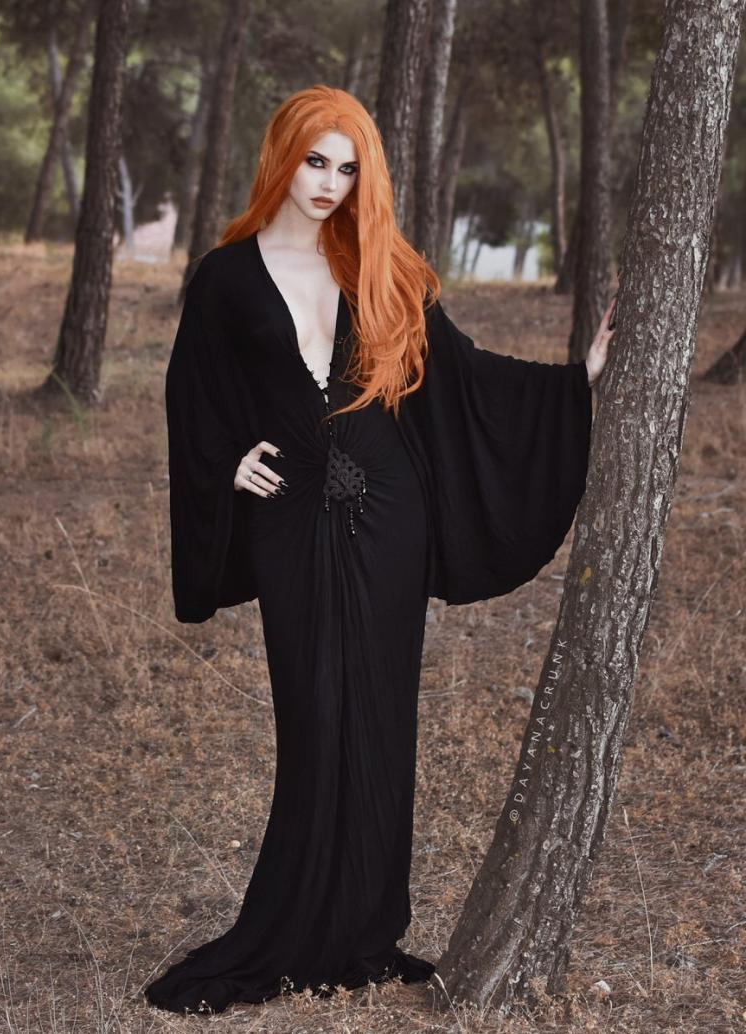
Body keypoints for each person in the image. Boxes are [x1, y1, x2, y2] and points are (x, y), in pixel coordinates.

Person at [143, 84, 615, 1016]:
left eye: (348, 168)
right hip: (290, 522)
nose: (329, 182)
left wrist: (578, 381)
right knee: (313, 717)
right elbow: (190, 395)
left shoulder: (378, 264)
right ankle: (288, 929)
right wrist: (226, 460)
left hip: (390, 518)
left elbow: (462, 376)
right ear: (283, 158)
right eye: (315, 161)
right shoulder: (226, 277)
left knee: (383, 724)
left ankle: (364, 930)